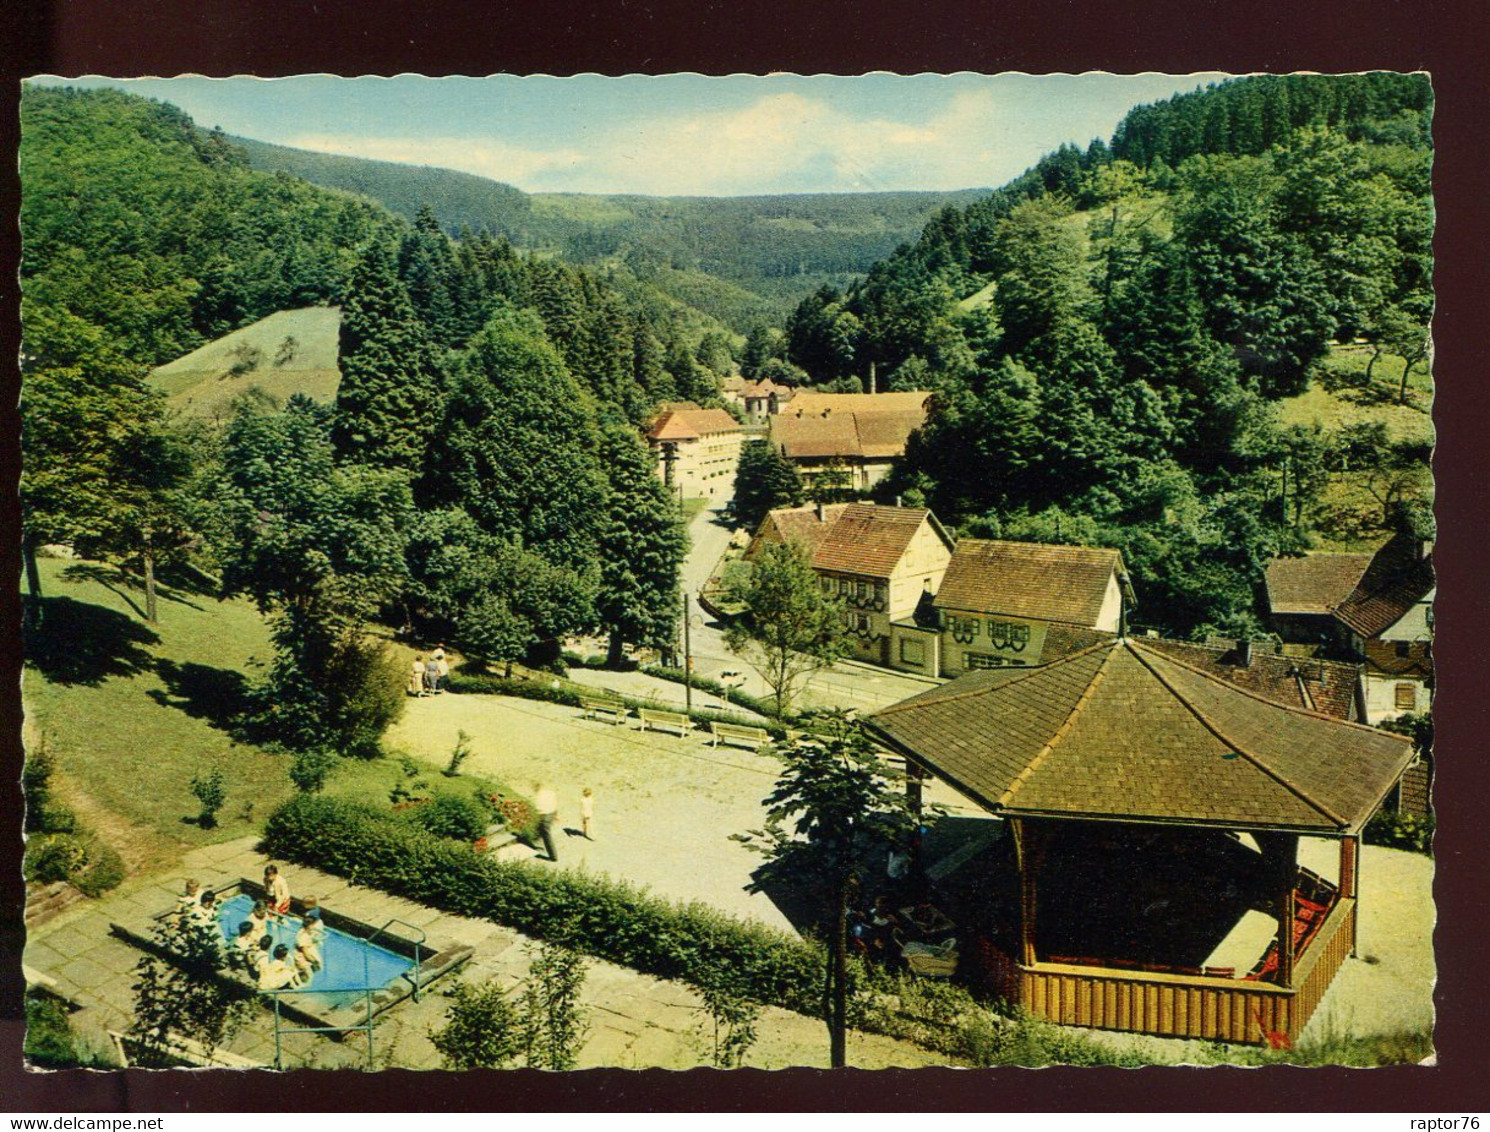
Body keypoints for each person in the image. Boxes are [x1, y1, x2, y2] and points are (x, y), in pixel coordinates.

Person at [294, 909, 325, 977]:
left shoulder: (302, 931)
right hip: (302, 960)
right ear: (309, 926)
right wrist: (314, 962)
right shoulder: (304, 936)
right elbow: (306, 952)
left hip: (302, 956)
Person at [533, 782, 558, 861]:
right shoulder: (550, 793)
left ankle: (553, 856)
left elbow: (538, 810)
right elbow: (555, 802)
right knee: (540, 830)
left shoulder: (538, 797)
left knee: (547, 836)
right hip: (552, 813)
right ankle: (538, 842)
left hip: (545, 816)